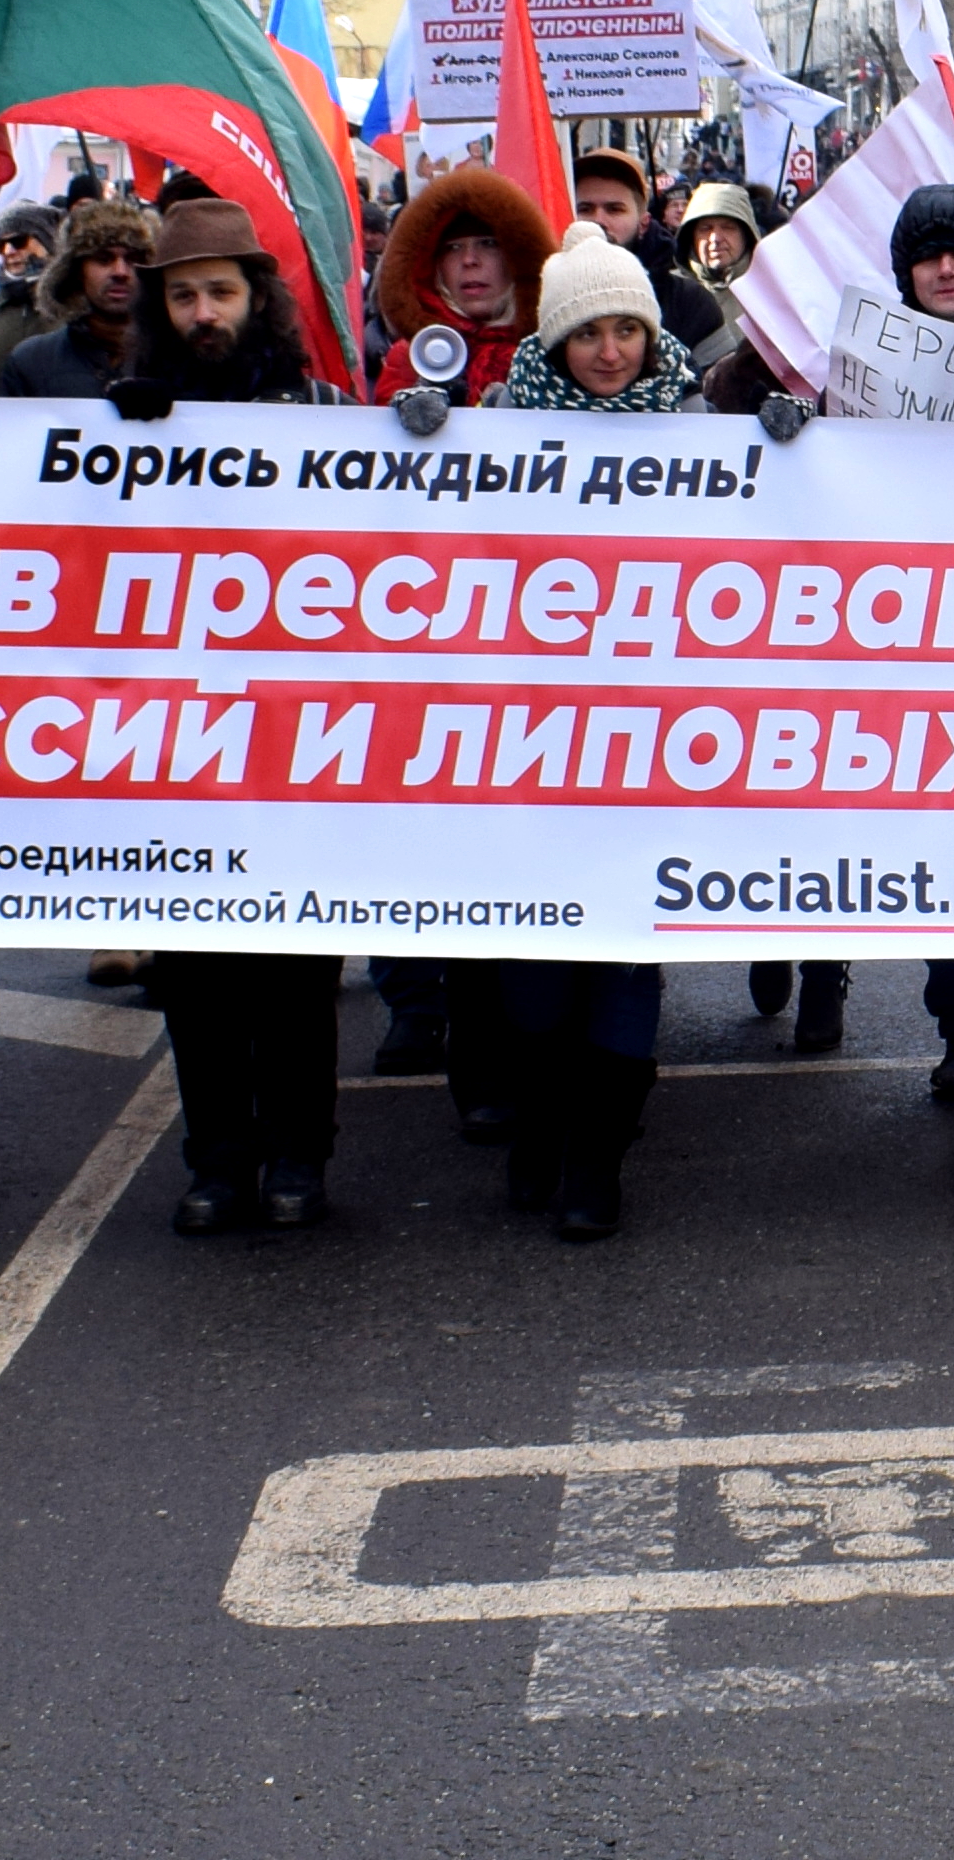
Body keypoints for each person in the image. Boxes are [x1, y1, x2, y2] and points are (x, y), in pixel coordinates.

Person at [717, 183, 954, 1095]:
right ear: (904, 271)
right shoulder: (857, 371)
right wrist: (784, 413)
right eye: (928, 256)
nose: (947, 269)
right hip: (904, 650)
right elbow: (730, 407)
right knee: (936, 842)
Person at [98, 200, 362, 1233]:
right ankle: (217, 1160)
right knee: (199, 980)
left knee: (298, 975)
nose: (204, 312)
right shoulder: (115, 422)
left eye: (221, 292)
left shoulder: (324, 410)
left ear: (257, 299)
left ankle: (301, 1156)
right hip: (176, 749)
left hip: (296, 743)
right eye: (184, 296)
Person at [471, 227, 726, 1237]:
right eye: (589, 333)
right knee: (536, 979)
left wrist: (788, 449)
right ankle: (541, 1128)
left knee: (625, 956)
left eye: (628, 329)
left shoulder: (704, 430)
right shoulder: (496, 428)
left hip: (652, 746)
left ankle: (596, 1162)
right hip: (532, 747)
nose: (612, 351)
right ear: (555, 340)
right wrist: (417, 442)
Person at [374, 165, 554, 412]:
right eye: (453, 248)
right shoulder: (411, 358)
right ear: (433, 264)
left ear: (517, 257)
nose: (469, 259)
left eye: (488, 244)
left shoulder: (556, 351)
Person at [0, 195, 159, 397]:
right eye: (103, 259)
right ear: (76, 271)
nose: (120, 271)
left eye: (133, 259)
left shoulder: (176, 362)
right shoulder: (31, 363)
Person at [573, 147, 732, 350]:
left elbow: (718, 379)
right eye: (584, 209)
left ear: (644, 223)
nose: (598, 220)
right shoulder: (541, 296)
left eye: (614, 209)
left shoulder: (690, 304)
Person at [0, 199, 67, 368]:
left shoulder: (72, 300)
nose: (8, 252)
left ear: (46, 242)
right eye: (0, 245)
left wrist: (41, 285)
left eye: (18, 242)